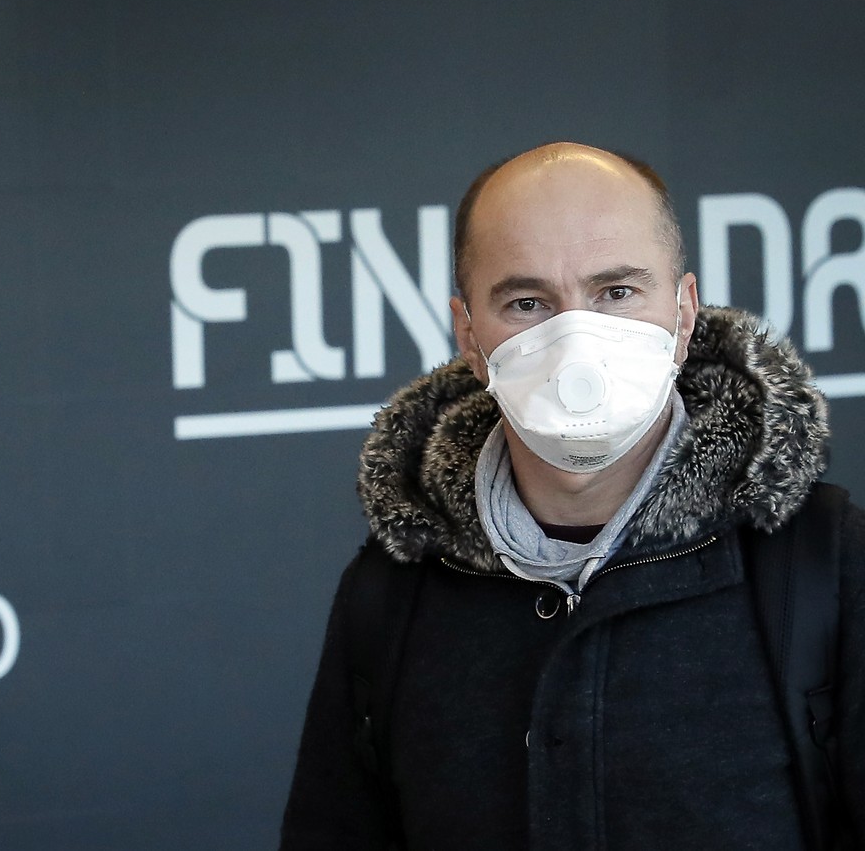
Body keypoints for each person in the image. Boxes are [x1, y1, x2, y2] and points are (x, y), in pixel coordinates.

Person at [281, 142, 864, 849]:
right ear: (469, 334)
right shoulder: (394, 590)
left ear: (683, 314)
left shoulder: (820, 560)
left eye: (617, 293)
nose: (576, 345)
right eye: (528, 303)